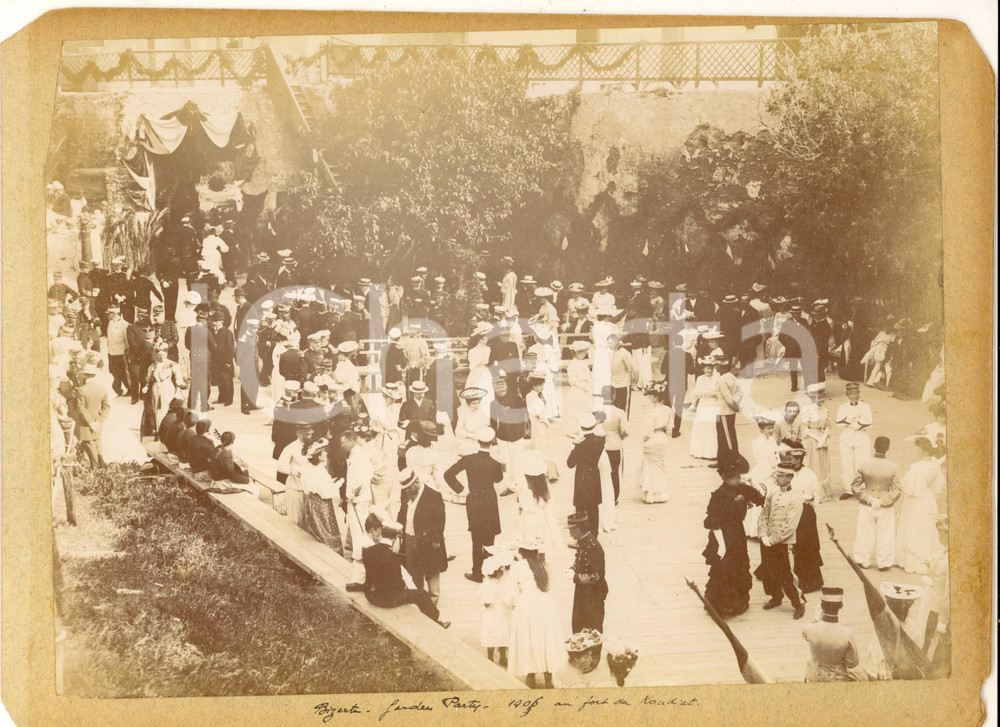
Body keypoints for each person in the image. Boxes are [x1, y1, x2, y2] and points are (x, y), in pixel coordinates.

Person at [702, 455, 766, 617]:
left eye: (738, 476)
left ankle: (737, 602)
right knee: (723, 567)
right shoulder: (718, 495)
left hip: (737, 533)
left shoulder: (742, 488)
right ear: (725, 477)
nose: (737, 479)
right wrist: (722, 545)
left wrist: (754, 485)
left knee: (738, 565)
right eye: (734, 477)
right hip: (721, 535)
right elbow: (712, 522)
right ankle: (723, 604)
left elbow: (760, 499)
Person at [360, 514, 449, 627]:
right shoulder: (393, 556)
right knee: (421, 594)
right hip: (384, 599)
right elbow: (399, 585)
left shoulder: (368, 552)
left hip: (371, 595)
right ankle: (436, 622)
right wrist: (407, 588)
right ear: (395, 538)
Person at [443, 427, 503, 583]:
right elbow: (498, 480)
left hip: (474, 499)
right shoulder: (494, 463)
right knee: (490, 539)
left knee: (476, 538)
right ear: (492, 443)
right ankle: (490, 571)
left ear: (478, 442)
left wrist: (462, 489)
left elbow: (448, 474)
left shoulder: (468, 460)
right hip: (490, 500)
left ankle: (477, 573)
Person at [507, 540, 566, 688]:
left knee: (528, 638)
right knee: (546, 639)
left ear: (522, 552)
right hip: (544, 603)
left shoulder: (517, 567)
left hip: (526, 604)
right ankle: (548, 678)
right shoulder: (543, 565)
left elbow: (511, 592)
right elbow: (548, 586)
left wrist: (513, 604)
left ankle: (530, 676)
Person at [758, 464, 806, 619]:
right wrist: (763, 534)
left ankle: (798, 603)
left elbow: (789, 526)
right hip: (767, 539)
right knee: (768, 571)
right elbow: (764, 514)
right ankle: (776, 597)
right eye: (777, 475)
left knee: (786, 574)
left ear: (790, 477)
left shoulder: (796, 498)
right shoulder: (773, 492)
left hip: (781, 543)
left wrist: (771, 540)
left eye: (780, 476)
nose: (777, 478)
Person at [396, 466, 448, 605]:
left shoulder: (433, 496)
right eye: (405, 489)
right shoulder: (406, 494)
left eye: (409, 488)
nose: (407, 491)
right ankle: (418, 603)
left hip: (428, 542)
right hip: (409, 539)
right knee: (413, 573)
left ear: (417, 482)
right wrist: (399, 527)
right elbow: (402, 512)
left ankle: (432, 606)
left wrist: (436, 541)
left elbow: (440, 521)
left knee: (431, 574)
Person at [895, 435, 945, 574]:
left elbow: (908, 485)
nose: (915, 452)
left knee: (914, 525)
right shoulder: (934, 465)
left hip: (917, 500)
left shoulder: (918, 467)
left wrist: (902, 483)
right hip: (927, 498)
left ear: (924, 451)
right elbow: (937, 486)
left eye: (917, 449)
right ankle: (922, 558)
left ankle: (913, 561)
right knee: (923, 527)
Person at [850, 436, 902, 571]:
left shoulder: (864, 464)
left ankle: (862, 559)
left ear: (874, 446)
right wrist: (883, 501)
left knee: (865, 532)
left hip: (867, 504)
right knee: (886, 533)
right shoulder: (893, 467)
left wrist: (869, 498)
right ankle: (884, 562)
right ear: (888, 448)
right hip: (885, 505)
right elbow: (897, 490)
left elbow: (855, 486)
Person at [786, 441, 825, 594]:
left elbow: (816, 495)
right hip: (790, 513)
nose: (795, 461)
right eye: (792, 457)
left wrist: (809, 498)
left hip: (806, 514)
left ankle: (810, 581)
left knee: (808, 545)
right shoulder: (784, 473)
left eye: (798, 458)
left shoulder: (809, 474)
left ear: (802, 458)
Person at [802, 587, 861, 682]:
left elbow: (804, 633)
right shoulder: (847, 634)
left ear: (822, 606)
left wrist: (817, 619)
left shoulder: (810, 628)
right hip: (836, 680)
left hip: (813, 677)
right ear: (841, 606)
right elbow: (853, 663)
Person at [300, 438, 345, 556]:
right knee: (326, 531)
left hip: (311, 502)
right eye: (324, 452)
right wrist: (339, 483)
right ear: (319, 456)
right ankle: (331, 557)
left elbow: (313, 486)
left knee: (315, 531)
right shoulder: (318, 471)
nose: (326, 453)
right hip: (321, 504)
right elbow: (326, 493)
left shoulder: (309, 468)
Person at [517, 452, 564, 559]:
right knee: (544, 539)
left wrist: (520, 507)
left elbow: (523, 504)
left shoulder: (524, 486)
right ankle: (542, 558)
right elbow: (549, 498)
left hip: (530, 517)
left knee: (531, 539)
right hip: (544, 516)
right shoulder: (544, 482)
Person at [567, 511, 608, 633]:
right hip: (583, 592)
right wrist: (572, 568)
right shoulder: (584, 541)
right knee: (578, 624)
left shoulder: (593, 547)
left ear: (578, 529)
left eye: (571, 530)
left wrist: (575, 577)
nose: (569, 533)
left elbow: (595, 576)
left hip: (593, 595)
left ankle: (594, 652)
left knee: (592, 627)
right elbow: (579, 559)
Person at [566, 413, 604, 536]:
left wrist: (574, 447)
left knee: (581, 508)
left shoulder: (580, 444)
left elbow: (570, 463)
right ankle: (594, 534)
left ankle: (582, 536)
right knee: (594, 507)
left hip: (582, 477)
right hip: (594, 475)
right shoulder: (600, 440)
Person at [836, 382, 873, 499]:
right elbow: (839, 423)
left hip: (861, 438)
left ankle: (862, 489)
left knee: (862, 463)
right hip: (846, 439)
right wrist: (849, 419)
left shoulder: (865, 407)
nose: (854, 395)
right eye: (851, 393)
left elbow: (869, 423)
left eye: (856, 393)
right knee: (847, 464)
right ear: (847, 394)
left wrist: (856, 424)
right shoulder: (842, 407)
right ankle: (849, 489)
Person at [479, 553, 516, 668]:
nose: (503, 572)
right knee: (491, 633)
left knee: (503, 633)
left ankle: (503, 656)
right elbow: (485, 602)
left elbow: (510, 595)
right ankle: (490, 655)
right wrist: (491, 596)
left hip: (503, 613)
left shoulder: (505, 581)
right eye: (500, 571)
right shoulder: (487, 584)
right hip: (492, 614)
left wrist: (511, 601)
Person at [745, 416, 780, 537]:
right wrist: (772, 473)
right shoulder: (757, 443)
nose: (771, 430)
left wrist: (778, 468)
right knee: (763, 499)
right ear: (761, 429)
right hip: (763, 474)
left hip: (774, 470)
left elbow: (776, 456)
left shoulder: (772, 440)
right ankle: (759, 529)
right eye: (768, 428)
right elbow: (762, 461)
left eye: (772, 428)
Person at [72, 363, 111, 468]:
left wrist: (90, 422)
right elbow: (106, 407)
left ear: (85, 375)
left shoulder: (81, 390)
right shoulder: (102, 389)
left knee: (89, 444)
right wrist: (98, 420)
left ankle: (95, 468)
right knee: (97, 442)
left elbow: (81, 408)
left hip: (85, 422)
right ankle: (101, 465)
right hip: (96, 421)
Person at [637, 386, 670, 504]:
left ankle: (651, 493)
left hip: (653, 438)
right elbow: (669, 427)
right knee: (660, 465)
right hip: (662, 438)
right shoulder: (668, 410)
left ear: (657, 397)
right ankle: (661, 492)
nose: (649, 397)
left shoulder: (652, 413)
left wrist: (644, 441)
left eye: (651, 395)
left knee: (650, 466)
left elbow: (647, 431)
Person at [801, 383, 834, 500]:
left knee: (823, 465)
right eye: (818, 397)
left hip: (822, 440)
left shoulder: (826, 410)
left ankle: (824, 491)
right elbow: (804, 429)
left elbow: (828, 426)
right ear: (812, 398)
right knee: (813, 464)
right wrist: (817, 438)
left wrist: (824, 437)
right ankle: (813, 492)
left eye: (822, 397)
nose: (821, 399)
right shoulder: (807, 411)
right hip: (812, 440)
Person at [525, 371, 559, 482]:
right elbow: (540, 414)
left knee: (544, 447)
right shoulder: (532, 397)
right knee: (542, 447)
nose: (542, 386)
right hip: (538, 424)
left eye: (543, 384)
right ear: (534, 385)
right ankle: (544, 473)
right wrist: (546, 423)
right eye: (540, 384)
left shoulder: (535, 396)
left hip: (538, 423)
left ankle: (549, 472)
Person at [599, 393, 629, 504]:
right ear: (615, 396)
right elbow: (626, 430)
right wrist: (620, 436)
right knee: (615, 472)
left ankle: (602, 496)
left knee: (601, 471)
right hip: (615, 445)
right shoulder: (619, 412)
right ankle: (614, 497)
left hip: (601, 445)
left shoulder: (598, 411)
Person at [688, 358, 720, 462]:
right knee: (701, 425)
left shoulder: (717, 378)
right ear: (703, 369)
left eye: (711, 368)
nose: (709, 371)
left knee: (712, 427)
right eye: (707, 368)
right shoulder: (700, 379)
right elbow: (697, 392)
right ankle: (699, 451)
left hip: (713, 404)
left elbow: (718, 392)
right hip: (703, 404)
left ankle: (712, 452)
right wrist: (694, 404)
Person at [714, 357, 741, 462]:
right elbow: (739, 393)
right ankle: (722, 459)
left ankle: (730, 459)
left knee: (724, 437)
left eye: (718, 366)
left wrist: (736, 407)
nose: (716, 368)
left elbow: (728, 399)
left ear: (722, 367)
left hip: (723, 412)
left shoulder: (722, 379)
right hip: (730, 412)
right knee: (729, 434)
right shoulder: (732, 377)